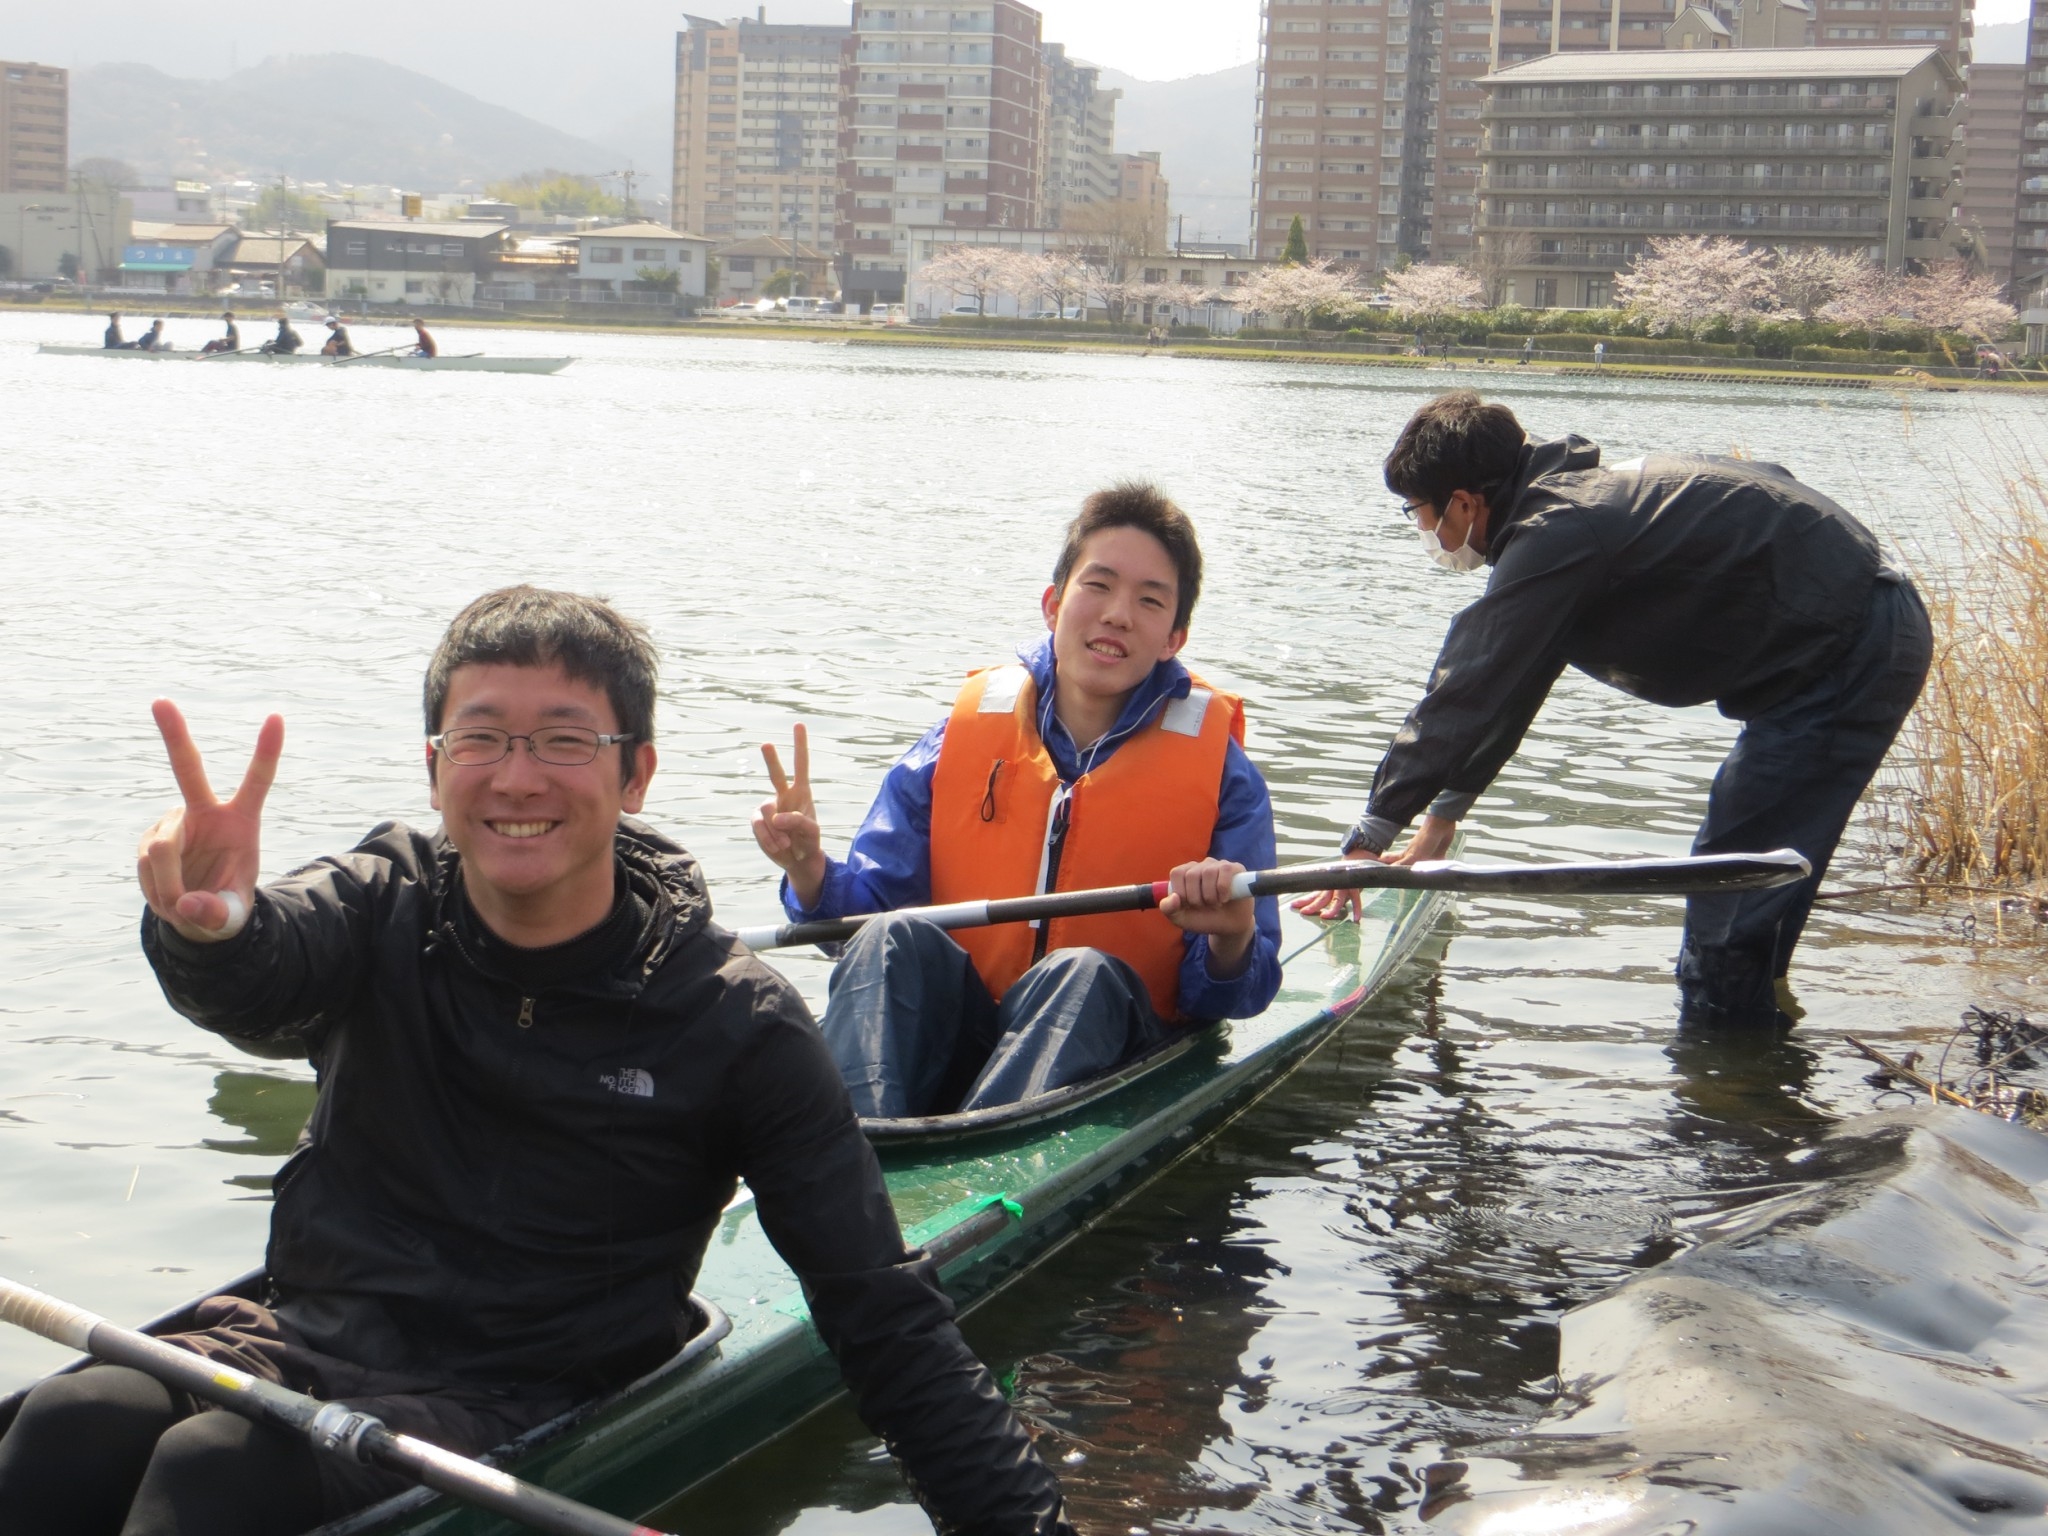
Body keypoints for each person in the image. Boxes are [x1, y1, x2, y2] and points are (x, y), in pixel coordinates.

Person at [0, 588, 1071, 1536]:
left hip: (528, 1390)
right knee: (70, 1418)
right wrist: (211, 932)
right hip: (309, 1332)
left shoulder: (735, 1020)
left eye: (564, 740)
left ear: (636, 773)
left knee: (214, 1472)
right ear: (435, 767)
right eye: (481, 739)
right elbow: (262, 977)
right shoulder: (384, 898)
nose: (517, 779)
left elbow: (883, 1319)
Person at [1300, 391, 1931, 1022]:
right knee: (1757, 880)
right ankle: (1755, 1044)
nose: (1422, 532)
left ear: (1464, 502)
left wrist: (1367, 837)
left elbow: (1467, 686)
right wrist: (1441, 818)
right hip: (1851, 634)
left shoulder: (1561, 528)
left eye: (1417, 512)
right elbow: (1511, 686)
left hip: (1850, 645)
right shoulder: (1567, 512)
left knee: (1731, 883)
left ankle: (1722, 1054)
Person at [752, 482, 1283, 1119]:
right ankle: (855, 1143)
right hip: (968, 1024)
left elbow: (1238, 994)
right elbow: (865, 930)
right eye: (1098, 585)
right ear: (1053, 605)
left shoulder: (1225, 777)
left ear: (1174, 637)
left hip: (1117, 1047)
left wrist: (1232, 936)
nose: (1118, 614)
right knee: (893, 937)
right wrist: (809, 872)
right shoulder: (957, 740)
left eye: (1149, 600)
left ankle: (978, 1156)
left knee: (1080, 973)